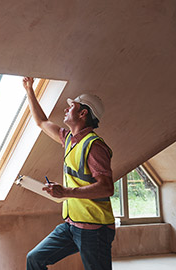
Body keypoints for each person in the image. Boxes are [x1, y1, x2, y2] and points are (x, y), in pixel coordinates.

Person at [22, 77, 115, 270]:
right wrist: (29, 89)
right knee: (35, 258)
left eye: (71, 106)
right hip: (72, 226)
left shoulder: (94, 145)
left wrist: (65, 192)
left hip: (95, 228)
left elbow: (107, 187)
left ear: (83, 113)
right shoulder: (69, 140)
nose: (66, 109)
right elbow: (41, 121)